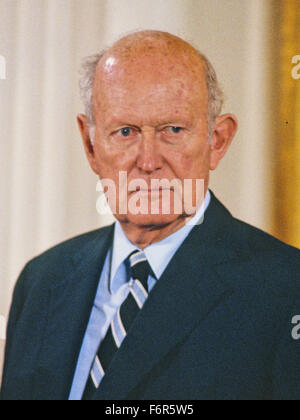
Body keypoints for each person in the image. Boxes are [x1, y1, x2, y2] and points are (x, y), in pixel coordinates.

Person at [1, 30, 300, 401]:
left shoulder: (287, 289)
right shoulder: (42, 282)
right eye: (125, 132)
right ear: (90, 145)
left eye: (172, 130)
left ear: (217, 141)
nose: (147, 162)